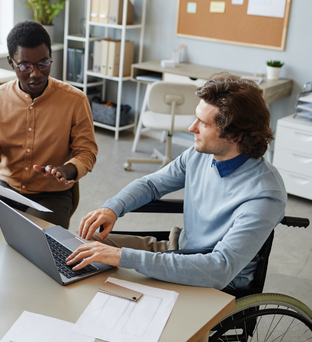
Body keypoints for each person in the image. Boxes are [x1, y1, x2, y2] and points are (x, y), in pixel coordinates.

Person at [67, 74, 287, 290]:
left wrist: (124, 257)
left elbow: (219, 268)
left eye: (203, 123)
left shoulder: (264, 194)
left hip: (210, 281)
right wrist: (113, 208)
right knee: (84, 245)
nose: (191, 128)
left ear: (237, 135)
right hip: (177, 250)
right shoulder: (199, 154)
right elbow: (152, 184)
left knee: (107, 270)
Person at [0, 21, 98, 228]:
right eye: (25, 66)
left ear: (51, 58)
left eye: (43, 63)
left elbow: (86, 152)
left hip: (52, 196)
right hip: (7, 190)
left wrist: (67, 170)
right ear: (11, 62)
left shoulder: (75, 100)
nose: (36, 73)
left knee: (38, 246)